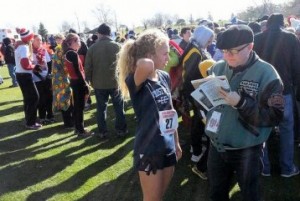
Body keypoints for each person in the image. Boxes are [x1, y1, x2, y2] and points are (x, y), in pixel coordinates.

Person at [205, 24, 284, 201]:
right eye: (224, 51)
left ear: (250, 47)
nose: (226, 56)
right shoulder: (217, 68)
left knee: (251, 194)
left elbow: (275, 116)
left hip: (247, 150)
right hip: (216, 146)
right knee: (216, 193)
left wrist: (241, 103)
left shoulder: (267, 74)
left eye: (232, 51)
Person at [117, 29, 182, 201]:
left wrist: (176, 142)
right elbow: (145, 64)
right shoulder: (136, 79)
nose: (168, 58)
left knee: (159, 197)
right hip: (149, 149)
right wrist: (143, 54)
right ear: (149, 55)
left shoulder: (164, 77)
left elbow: (170, 111)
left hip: (167, 146)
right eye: (165, 53)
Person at [254, 13, 300, 177]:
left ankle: (264, 167)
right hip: (284, 90)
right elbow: (297, 65)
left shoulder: (257, 38)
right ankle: (287, 168)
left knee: (263, 128)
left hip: (263, 90)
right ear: (281, 23)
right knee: (287, 129)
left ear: (268, 23)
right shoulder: (290, 38)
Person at [180, 25, 214, 180]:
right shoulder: (194, 51)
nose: (211, 41)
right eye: (209, 38)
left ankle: (197, 148)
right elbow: (189, 76)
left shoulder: (195, 47)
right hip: (195, 93)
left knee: (199, 121)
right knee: (198, 120)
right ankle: (196, 151)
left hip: (196, 91)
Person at [85, 23, 127, 138]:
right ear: (109, 33)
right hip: (115, 83)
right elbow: (125, 65)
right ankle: (121, 130)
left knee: (101, 108)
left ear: (99, 33)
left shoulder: (92, 48)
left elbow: (88, 67)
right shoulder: (118, 46)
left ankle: (103, 132)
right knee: (119, 108)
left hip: (99, 84)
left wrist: (87, 81)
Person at [62, 33, 93, 137]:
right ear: (73, 42)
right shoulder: (72, 53)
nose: (80, 42)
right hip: (78, 82)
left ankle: (78, 128)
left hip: (75, 81)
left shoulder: (70, 52)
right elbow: (78, 71)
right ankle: (80, 130)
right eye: (78, 40)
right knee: (79, 107)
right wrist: (85, 84)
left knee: (78, 107)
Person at [15, 28, 42, 130]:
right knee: (34, 97)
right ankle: (31, 122)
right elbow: (25, 64)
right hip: (25, 75)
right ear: (29, 38)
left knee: (28, 98)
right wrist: (34, 67)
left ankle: (28, 119)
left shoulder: (20, 45)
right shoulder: (24, 47)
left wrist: (32, 66)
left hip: (20, 74)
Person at [52, 33, 74, 128]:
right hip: (63, 80)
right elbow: (65, 66)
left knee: (63, 100)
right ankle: (69, 123)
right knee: (65, 100)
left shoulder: (58, 50)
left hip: (59, 79)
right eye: (56, 39)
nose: (58, 40)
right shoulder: (60, 50)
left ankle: (68, 122)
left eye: (59, 38)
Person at [32, 34, 54, 124]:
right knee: (41, 99)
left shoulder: (44, 50)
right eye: (37, 40)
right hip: (37, 78)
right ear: (32, 41)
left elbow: (49, 63)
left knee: (49, 97)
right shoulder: (30, 52)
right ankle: (42, 117)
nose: (40, 42)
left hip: (46, 77)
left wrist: (48, 74)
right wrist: (41, 76)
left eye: (41, 40)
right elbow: (32, 66)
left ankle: (50, 115)